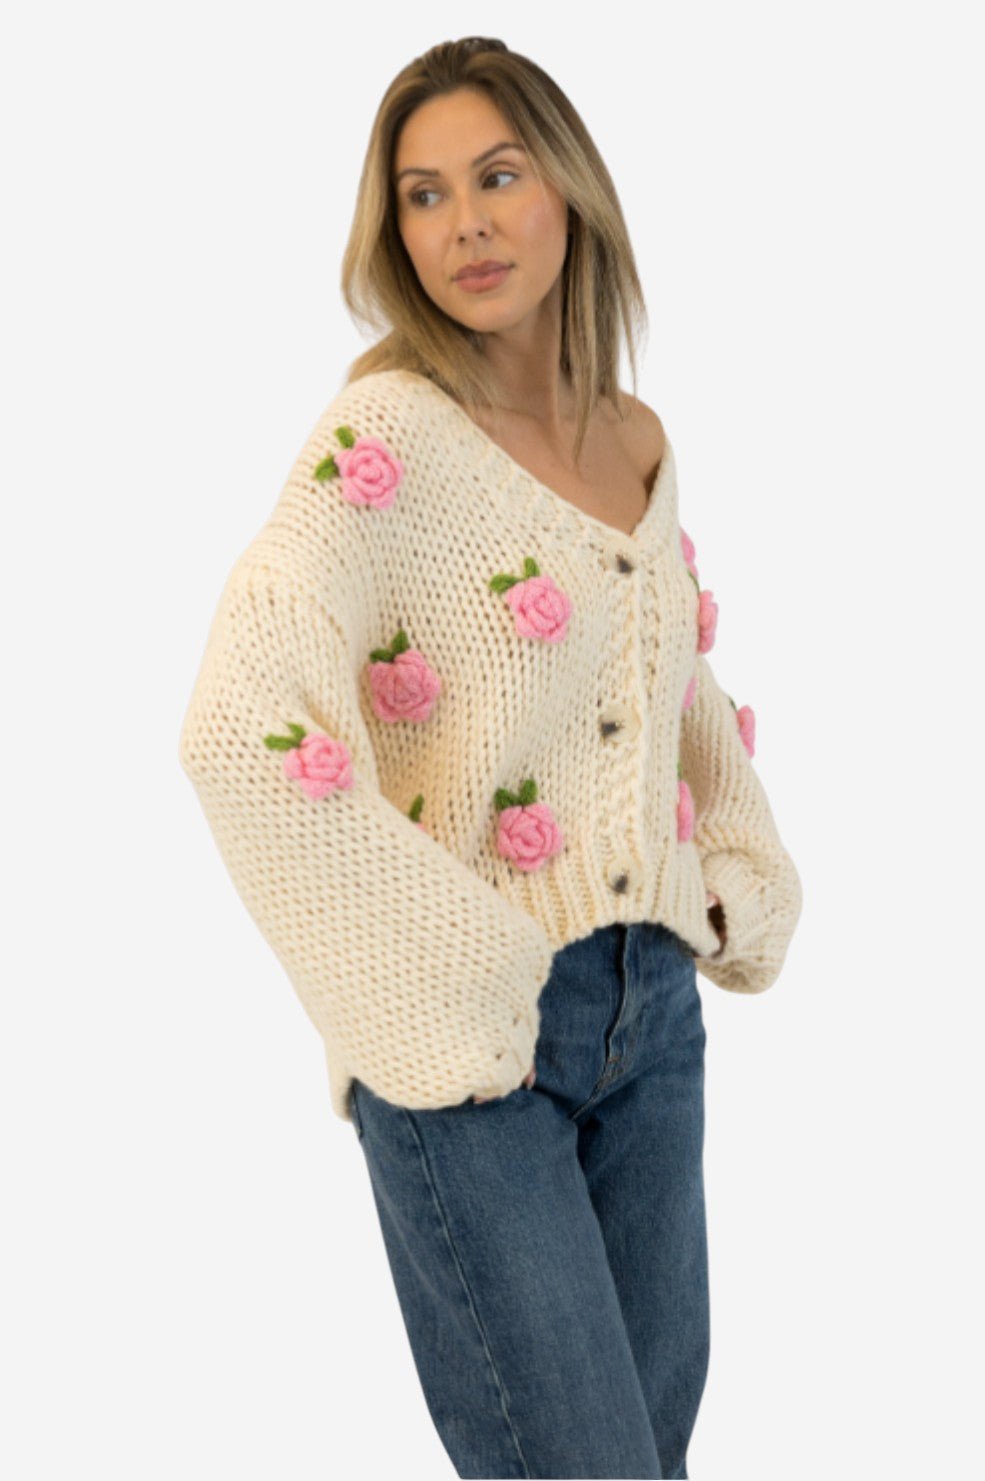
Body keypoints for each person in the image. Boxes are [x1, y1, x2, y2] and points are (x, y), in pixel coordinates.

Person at [178, 36, 803, 1481]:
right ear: (393, 230)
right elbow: (238, 724)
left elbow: (665, 678)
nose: (464, 222)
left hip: (655, 1026)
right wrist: (454, 963)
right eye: (423, 194)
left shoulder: (631, 436)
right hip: (471, 1048)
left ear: (569, 190)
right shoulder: (383, 439)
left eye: (498, 176)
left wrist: (734, 868)